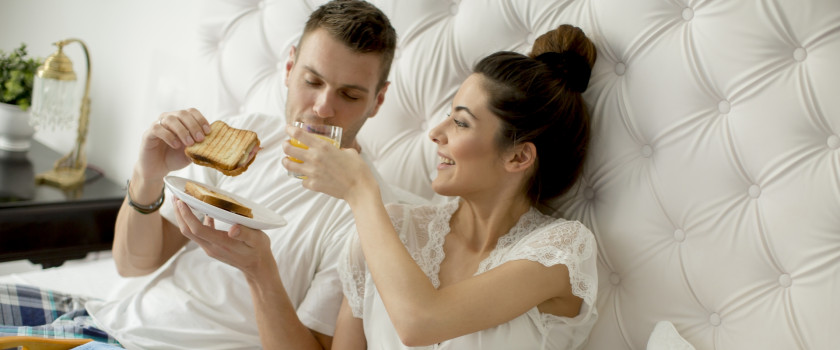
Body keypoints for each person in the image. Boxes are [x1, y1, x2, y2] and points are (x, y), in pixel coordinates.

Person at [0, 0, 397, 348]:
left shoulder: (369, 215)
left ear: (377, 101)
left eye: (349, 94)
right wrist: (148, 175)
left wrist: (260, 272)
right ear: (290, 67)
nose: (323, 107)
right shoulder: (246, 138)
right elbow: (134, 265)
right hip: (107, 318)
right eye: (312, 81)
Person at [175, 24, 600, 349]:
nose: (436, 132)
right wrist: (259, 269)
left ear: (519, 157)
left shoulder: (560, 250)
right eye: (448, 114)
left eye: (462, 122)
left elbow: (420, 322)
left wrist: (361, 190)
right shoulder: (395, 227)